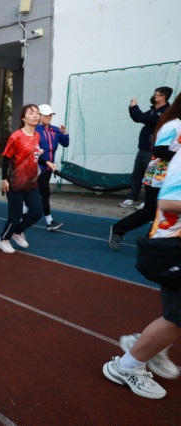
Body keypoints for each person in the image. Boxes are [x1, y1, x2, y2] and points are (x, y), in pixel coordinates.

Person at [102, 148, 181, 399]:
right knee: (177, 316)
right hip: (172, 244)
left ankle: (151, 344)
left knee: (176, 316)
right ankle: (128, 365)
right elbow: (166, 201)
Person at [110, 93, 181, 250]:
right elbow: (159, 150)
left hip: (174, 176)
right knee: (151, 212)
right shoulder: (171, 125)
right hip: (159, 176)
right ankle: (119, 230)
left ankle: (153, 245)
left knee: (163, 213)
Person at [0, 105, 56, 254]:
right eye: (31, 113)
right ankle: (3, 239)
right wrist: (4, 179)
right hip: (15, 183)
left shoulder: (36, 136)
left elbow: (32, 155)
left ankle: (17, 232)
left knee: (36, 212)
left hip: (31, 182)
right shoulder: (16, 136)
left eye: (37, 113)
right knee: (15, 216)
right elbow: (6, 158)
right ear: (23, 118)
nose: (35, 115)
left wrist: (46, 162)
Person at [120, 87, 173, 208]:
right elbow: (138, 118)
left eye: (156, 95)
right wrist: (132, 108)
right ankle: (131, 198)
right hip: (143, 149)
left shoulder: (165, 112)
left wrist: (134, 106)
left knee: (150, 176)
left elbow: (143, 118)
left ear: (163, 97)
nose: (153, 97)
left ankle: (148, 202)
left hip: (153, 151)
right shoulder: (153, 111)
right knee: (137, 175)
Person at [36, 104, 69, 231]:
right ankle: (49, 221)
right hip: (38, 166)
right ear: (39, 116)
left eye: (50, 115)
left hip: (50, 167)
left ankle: (24, 210)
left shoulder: (55, 130)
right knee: (45, 192)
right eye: (46, 115)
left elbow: (65, 144)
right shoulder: (35, 130)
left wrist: (64, 133)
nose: (49, 117)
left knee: (38, 192)